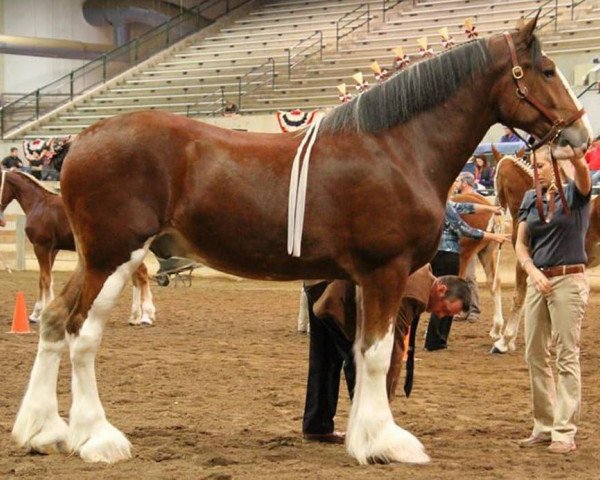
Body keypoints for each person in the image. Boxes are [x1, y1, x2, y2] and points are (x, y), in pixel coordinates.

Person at [301, 266, 471, 443]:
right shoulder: (413, 295)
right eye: (445, 309)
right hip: (337, 301)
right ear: (441, 289)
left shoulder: (419, 272)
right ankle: (370, 433)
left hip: (323, 287)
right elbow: (394, 349)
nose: (441, 315)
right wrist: (384, 403)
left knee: (324, 359)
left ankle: (317, 427)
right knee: (359, 365)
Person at [515, 146, 591, 454]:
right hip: (539, 280)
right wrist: (531, 270)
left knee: (565, 354)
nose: (537, 171)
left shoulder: (574, 194)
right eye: (535, 166)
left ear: (557, 167)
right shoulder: (530, 199)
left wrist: (573, 155)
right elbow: (520, 243)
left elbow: (584, 174)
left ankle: (564, 430)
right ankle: (544, 425)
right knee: (534, 353)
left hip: (568, 279)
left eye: (542, 165)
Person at [424, 199, 508, 351]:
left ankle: (437, 339)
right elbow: (464, 229)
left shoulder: (442, 203)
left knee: (443, 294)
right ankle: (435, 340)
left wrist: (491, 209)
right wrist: (492, 236)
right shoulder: (446, 207)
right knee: (447, 296)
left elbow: (468, 207)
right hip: (447, 255)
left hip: (440, 254)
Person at [452, 172, 482, 322]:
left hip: (469, 241)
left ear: (464, 183)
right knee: (465, 276)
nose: (456, 183)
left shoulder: (470, 201)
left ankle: (473, 309)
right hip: (463, 242)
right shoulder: (458, 201)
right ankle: (468, 308)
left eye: (458, 181)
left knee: (469, 276)